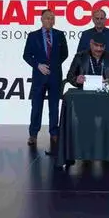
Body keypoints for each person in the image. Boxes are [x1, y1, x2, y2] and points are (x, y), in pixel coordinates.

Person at [23, 9, 69, 148]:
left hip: (55, 76)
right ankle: (33, 134)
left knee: (54, 106)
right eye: (47, 18)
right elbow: (26, 55)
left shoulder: (60, 35)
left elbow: (65, 54)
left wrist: (54, 65)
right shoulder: (33, 36)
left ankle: (54, 133)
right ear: (41, 19)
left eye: (52, 18)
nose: (50, 20)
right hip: (39, 77)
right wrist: (38, 65)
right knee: (36, 106)